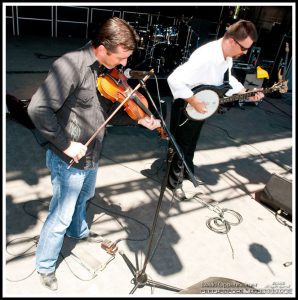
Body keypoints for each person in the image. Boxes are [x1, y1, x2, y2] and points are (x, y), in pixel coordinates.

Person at [27, 17, 161, 291]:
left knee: (85, 197)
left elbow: (101, 114)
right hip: (69, 159)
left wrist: (138, 119)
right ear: (102, 48)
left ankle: (79, 232)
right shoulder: (70, 66)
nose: (124, 65)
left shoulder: (102, 68)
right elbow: (38, 110)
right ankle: (45, 265)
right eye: (121, 58)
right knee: (61, 214)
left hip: (92, 152)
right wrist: (66, 145)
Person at [166, 19, 264, 200]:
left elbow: (227, 78)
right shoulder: (206, 56)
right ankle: (173, 183)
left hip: (202, 103)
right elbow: (174, 80)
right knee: (181, 143)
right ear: (232, 41)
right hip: (188, 103)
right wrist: (193, 101)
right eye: (243, 48)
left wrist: (245, 92)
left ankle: (186, 173)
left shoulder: (226, 56)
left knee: (191, 142)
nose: (245, 52)